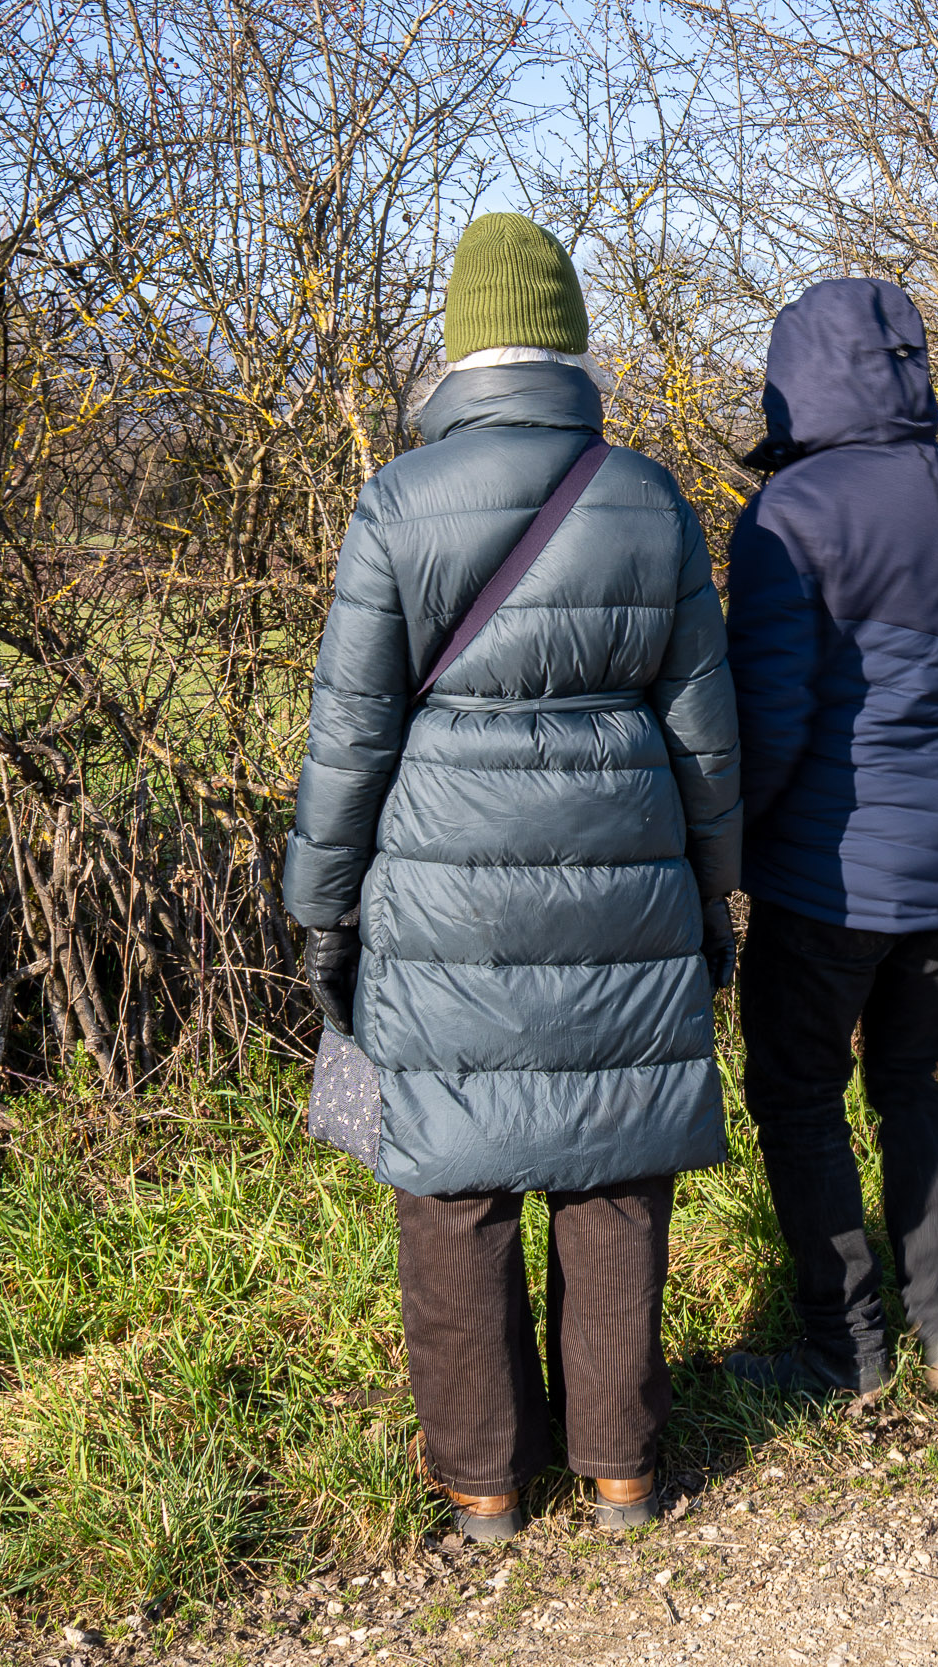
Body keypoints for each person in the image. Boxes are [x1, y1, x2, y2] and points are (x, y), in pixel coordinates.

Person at [283, 214, 740, 1542]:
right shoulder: (646, 497)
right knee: (613, 1166)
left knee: (454, 1171)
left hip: (442, 891)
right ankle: (622, 1471)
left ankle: (482, 1479)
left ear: (458, 345)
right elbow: (706, 734)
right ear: (571, 338)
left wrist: (324, 906)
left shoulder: (398, 502)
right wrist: (716, 891)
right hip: (624, 875)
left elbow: (350, 730)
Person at [721, 277, 938, 1402]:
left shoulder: (791, 515)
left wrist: (731, 839)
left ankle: (846, 1346)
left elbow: (767, 721)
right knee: (909, 1080)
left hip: (825, 870)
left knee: (801, 1095)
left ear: (796, 376)